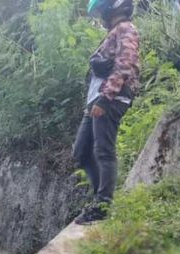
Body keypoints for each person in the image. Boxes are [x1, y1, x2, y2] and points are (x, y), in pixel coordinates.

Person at [72, 0, 140, 225]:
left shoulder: (126, 29)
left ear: (113, 7)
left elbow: (125, 64)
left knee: (104, 151)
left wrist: (105, 96)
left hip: (110, 98)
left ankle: (103, 206)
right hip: (96, 100)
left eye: (101, 11)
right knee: (81, 151)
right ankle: (101, 198)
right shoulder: (114, 32)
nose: (101, 16)